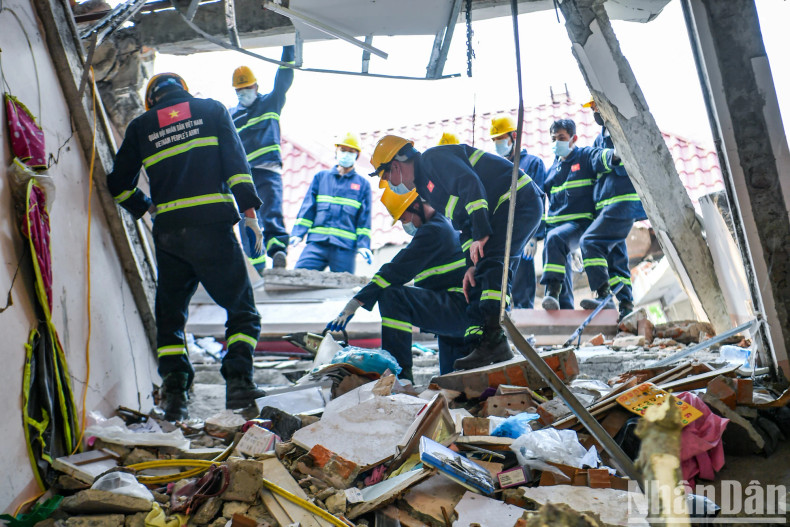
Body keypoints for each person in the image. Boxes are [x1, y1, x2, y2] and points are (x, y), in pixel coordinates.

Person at [107, 73, 267, 421]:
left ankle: (176, 398)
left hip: (170, 236)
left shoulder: (141, 126)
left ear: (152, 100)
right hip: (214, 229)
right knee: (242, 311)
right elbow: (237, 168)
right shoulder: (211, 111)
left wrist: (146, 206)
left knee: (171, 320)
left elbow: (117, 184)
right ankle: (238, 384)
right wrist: (251, 215)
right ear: (184, 91)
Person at [369, 135, 543, 370]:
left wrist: (481, 231)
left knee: (492, 262)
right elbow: (463, 223)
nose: (390, 182)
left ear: (396, 165)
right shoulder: (427, 188)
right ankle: (482, 341)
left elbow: (469, 183)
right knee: (483, 270)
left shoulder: (432, 159)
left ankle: (494, 340)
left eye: (386, 175)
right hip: (507, 206)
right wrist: (469, 265)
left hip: (515, 199)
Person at [326, 188, 469, 380]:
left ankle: (399, 376)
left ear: (416, 206)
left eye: (403, 218)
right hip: (459, 313)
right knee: (456, 386)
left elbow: (395, 270)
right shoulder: (442, 223)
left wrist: (356, 302)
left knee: (392, 296)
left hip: (456, 309)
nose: (405, 224)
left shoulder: (433, 231)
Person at [579, 97, 647, 320]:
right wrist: (611, 156)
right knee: (616, 256)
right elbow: (595, 161)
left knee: (590, 242)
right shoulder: (601, 139)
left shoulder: (623, 130)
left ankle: (603, 295)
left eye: (596, 107)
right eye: (593, 109)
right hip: (609, 206)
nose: (595, 112)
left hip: (623, 202)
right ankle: (626, 305)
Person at [541, 119, 620, 310]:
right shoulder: (552, 170)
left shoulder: (584, 156)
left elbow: (602, 157)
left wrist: (617, 155)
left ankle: (602, 294)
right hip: (559, 230)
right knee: (554, 245)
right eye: (553, 139)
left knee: (557, 239)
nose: (556, 143)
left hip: (581, 224)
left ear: (573, 138)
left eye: (561, 138)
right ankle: (559, 302)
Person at [230, 46, 294, 275]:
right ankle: (256, 268)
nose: (243, 93)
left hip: (268, 170)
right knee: (248, 221)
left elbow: (284, 78)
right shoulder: (231, 115)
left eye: (246, 88)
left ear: (256, 86)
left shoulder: (271, 102)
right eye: (239, 90)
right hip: (244, 177)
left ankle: (277, 252)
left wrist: (289, 48)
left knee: (272, 214)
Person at [290, 133, 372, 273]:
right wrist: (298, 233)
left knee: (344, 290)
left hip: (344, 248)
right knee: (297, 278)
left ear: (357, 155)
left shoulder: (362, 185)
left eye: (351, 152)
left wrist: (364, 245)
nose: (346, 154)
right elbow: (308, 208)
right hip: (317, 244)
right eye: (343, 150)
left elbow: (364, 220)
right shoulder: (321, 178)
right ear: (336, 151)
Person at [489, 114, 547, 309]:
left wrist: (533, 237)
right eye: (495, 140)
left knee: (523, 268)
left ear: (514, 136)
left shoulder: (532, 163)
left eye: (501, 139)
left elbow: (539, 201)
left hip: (524, 230)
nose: (497, 144)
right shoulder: (498, 168)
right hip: (503, 232)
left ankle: (525, 310)